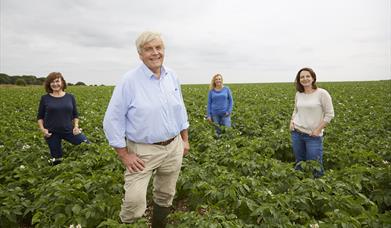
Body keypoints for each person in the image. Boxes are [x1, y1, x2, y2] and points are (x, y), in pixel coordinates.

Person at [103, 31, 190, 227]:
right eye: (148, 49)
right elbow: (112, 119)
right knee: (134, 203)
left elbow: (180, 109)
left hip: (173, 146)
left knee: (166, 194)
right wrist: (124, 154)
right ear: (140, 54)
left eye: (158, 48)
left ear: (163, 50)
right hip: (143, 151)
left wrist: (185, 140)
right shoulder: (129, 81)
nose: (155, 53)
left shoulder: (172, 76)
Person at [289, 67, 334, 177]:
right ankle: (300, 186)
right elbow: (296, 110)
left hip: (313, 136)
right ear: (299, 80)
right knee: (299, 162)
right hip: (297, 133)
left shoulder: (322, 93)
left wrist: (318, 130)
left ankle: (317, 188)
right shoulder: (299, 94)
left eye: (307, 76)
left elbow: (330, 114)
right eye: (302, 77)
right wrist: (291, 122)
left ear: (313, 78)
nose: (305, 79)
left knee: (315, 165)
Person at [37, 72, 89, 165]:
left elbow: (75, 115)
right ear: (49, 84)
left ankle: (83, 166)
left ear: (62, 83)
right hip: (51, 133)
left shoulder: (70, 97)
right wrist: (43, 130)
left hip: (69, 130)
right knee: (57, 160)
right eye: (52, 82)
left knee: (87, 145)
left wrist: (76, 126)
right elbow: (40, 117)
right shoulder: (45, 98)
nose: (55, 84)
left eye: (57, 81)